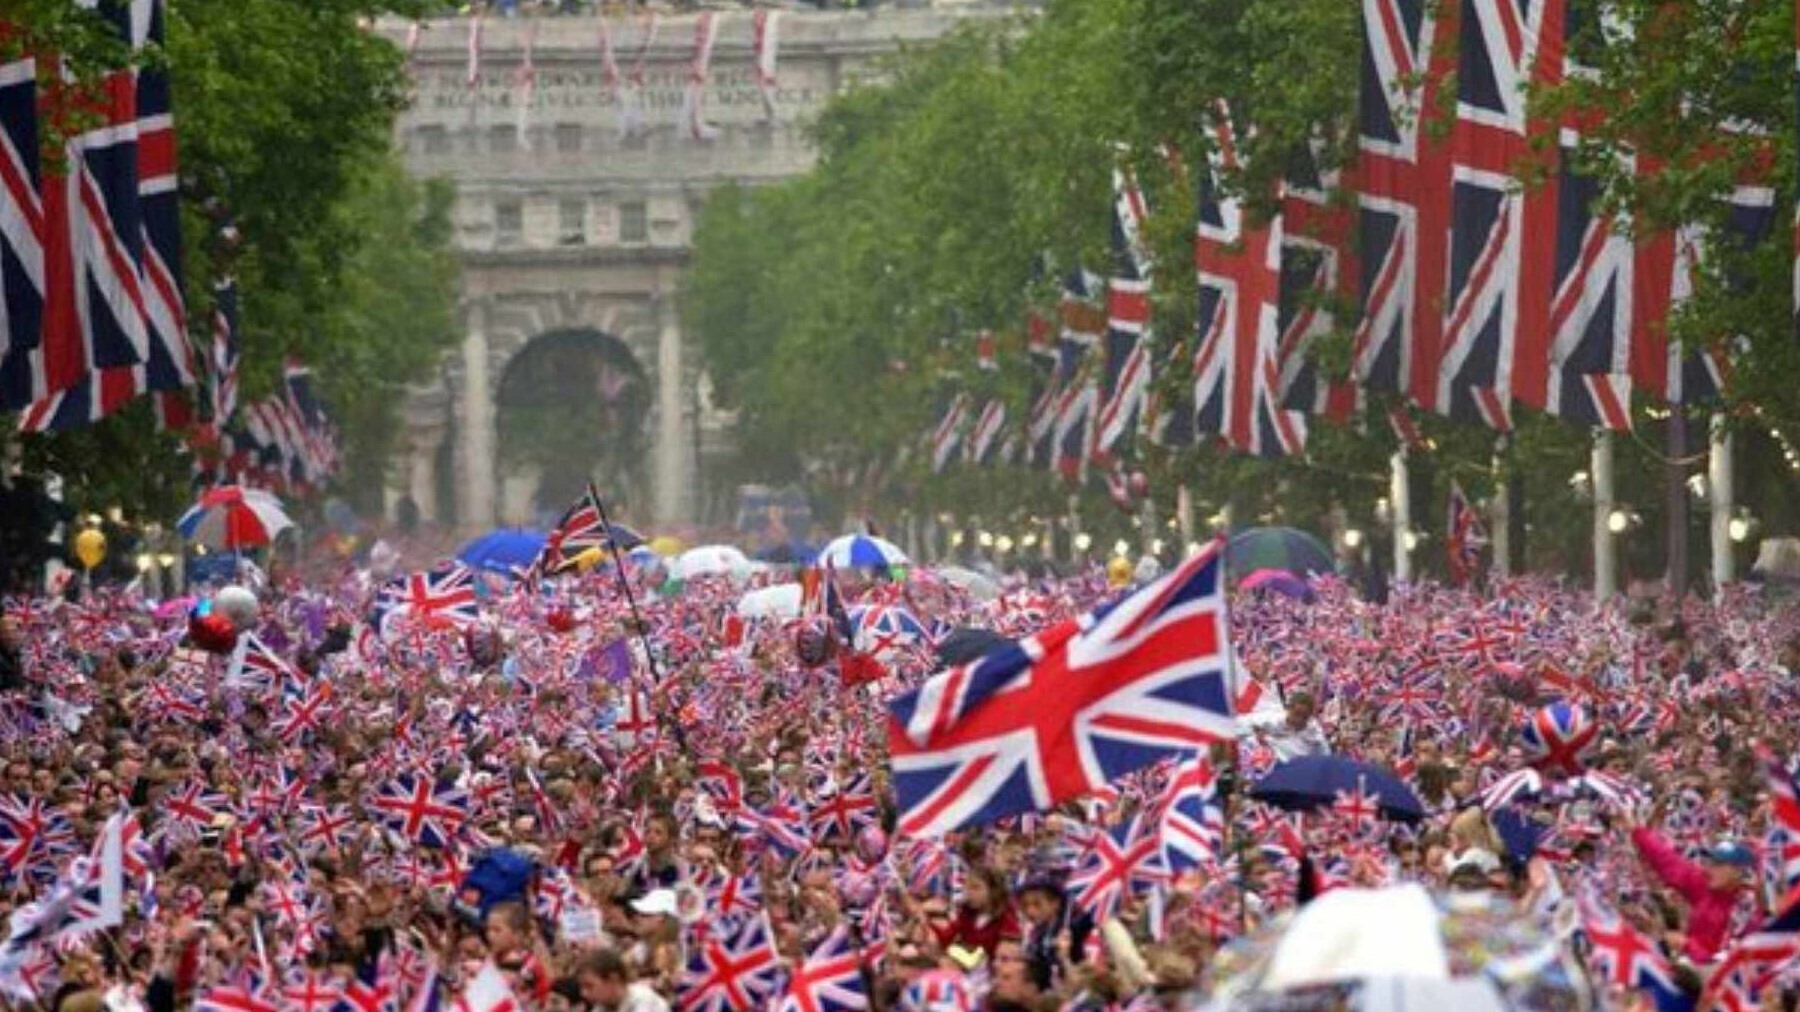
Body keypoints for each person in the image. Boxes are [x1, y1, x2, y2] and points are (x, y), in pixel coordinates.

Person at [1626, 811, 1752, 963]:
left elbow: (1725, 962)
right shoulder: (1708, 887)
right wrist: (1639, 832)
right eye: (1711, 862)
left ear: (1738, 872)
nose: (1709, 869)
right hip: (1691, 968)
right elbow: (1670, 862)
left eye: (1719, 864)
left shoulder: (1746, 908)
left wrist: (1686, 944)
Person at [574, 948, 669, 1012]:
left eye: (589, 986)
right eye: (582, 987)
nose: (583, 993)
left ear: (613, 979)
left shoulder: (645, 1000)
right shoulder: (600, 1008)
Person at [1255, 691, 1331, 761]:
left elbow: (1326, 757)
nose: (1299, 720)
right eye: (1296, 713)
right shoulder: (1272, 721)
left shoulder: (1315, 735)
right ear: (1288, 709)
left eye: (1305, 717)